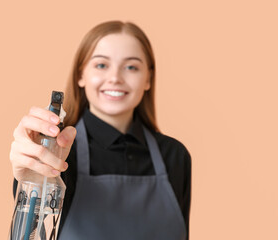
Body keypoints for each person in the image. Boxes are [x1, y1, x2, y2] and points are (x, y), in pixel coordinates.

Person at [10, 20, 191, 240]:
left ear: (148, 79)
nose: (115, 77)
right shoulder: (59, 154)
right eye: (101, 65)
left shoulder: (174, 156)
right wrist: (31, 186)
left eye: (131, 67)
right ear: (81, 75)